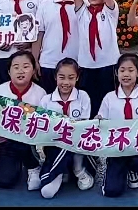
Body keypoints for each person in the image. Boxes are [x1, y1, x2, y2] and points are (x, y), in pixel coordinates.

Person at [97, 53, 138, 197]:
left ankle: (132, 170)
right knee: (112, 191)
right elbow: (102, 121)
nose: (126, 74)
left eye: (130, 70)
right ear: (117, 73)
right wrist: (98, 120)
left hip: (137, 148)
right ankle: (118, 168)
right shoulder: (109, 97)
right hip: (116, 149)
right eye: (122, 70)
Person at [0, 50, 48, 190]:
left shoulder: (41, 93)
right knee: (5, 181)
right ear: (9, 72)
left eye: (26, 67)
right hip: (5, 142)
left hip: (29, 142)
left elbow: (45, 123)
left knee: (23, 137)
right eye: (16, 67)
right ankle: (12, 164)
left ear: (33, 70)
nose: (21, 71)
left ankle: (33, 167)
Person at [38, 58, 95, 198]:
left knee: (79, 137)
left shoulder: (83, 97)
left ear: (77, 78)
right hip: (54, 146)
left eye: (71, 77)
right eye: (62, 77)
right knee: (47, 192)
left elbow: (84, 125)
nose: (66, 82)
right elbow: (42, 127)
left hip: (77, 144)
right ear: (55, 77)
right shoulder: (46, 100)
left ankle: (78, 169)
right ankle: (60, 171)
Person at [34, 0, 84, 93]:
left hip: (77, 63)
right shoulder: (45, 5)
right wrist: (35, 60)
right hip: (49, 63)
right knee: (48, 101)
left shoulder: (84, 5)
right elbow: (39, 34)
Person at [77, 0, 120, 116]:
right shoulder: (82, 11)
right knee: (88, 105)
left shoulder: (110, 11)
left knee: (107, 104)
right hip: (86, 65)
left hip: (108, 65)